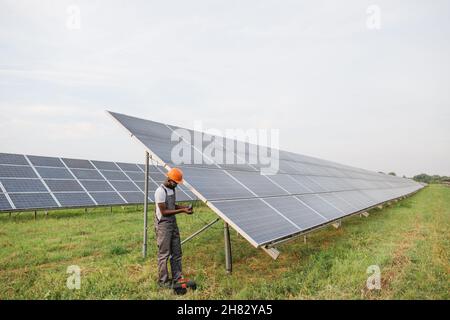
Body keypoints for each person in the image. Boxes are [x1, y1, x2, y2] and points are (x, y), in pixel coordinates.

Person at [154, 167, 193, 288]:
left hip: (173, 223)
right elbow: (164, 211)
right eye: (176, 183)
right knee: (164, 254)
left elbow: (172, 205)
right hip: (163, 225)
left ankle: (177, 277)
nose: (177, 185)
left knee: (176, 251)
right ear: (170, 180)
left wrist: (184, 207)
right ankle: (163, 281)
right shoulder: (160, 191)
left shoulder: (172, 189)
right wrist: (182, 211)